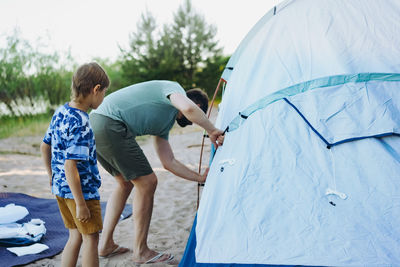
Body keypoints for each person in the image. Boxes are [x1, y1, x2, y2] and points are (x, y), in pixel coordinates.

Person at [89, 80, 224, 264]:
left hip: (95, 123)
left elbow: (168, 162)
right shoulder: (174, 89)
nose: (193, 124)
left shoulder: (164, 123)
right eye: (201, 111)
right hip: (110, 123)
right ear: (198, 105)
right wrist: (212, 130)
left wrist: (199, 177)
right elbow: (189, 109)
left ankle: (105, 245)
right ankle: (141, 251)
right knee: (147, 182)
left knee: (125, 183)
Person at [40, 62, 109, 267]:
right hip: (82, 193)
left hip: (60, 188)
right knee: (91, 238)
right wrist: (80, 204)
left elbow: (45, 146)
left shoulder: (61, 112)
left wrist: (52, 176)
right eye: (104, 92)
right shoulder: (82, 123)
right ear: (96, 89)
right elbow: (71, 166)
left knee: (75, 236)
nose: (103, 97)